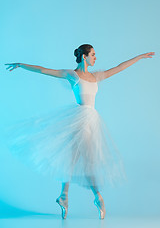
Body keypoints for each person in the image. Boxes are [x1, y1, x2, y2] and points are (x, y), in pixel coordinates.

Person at [5, 44, 155, 219]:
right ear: (84, 56)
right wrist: (21, 65)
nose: (95, 57)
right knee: (85, 160)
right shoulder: (72, 75)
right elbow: (44, 70)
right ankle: (94, 197)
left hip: (91, 121)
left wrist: (139, 57)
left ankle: (65, 196)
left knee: (74, 158)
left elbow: (119, 67)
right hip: (78, 120)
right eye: (93, 54)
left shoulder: (95, 76)